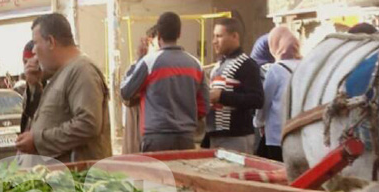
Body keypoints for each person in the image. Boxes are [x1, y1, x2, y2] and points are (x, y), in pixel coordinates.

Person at [15, 13, 112, 163]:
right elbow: (46, 117)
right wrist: (34, 85)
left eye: (36, 43)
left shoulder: (82, 70)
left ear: (51, 42)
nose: (33, 51)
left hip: (73, 174)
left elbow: (88, 124)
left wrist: (38, 141)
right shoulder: (61, 73)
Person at [121, 12, 209, 152]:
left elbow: (126, 91)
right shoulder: (196, 65)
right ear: (179, 34)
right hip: (186, 138)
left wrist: (139, 59)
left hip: (156, 138)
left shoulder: (149, 62)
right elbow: (204, 106)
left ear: (159, 35)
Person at [206, 18, 264, 154]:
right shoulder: (218, 66)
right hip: (216, 136)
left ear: (234, 36)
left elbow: (257, 99)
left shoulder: (247, 64)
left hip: (237, 137)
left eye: (219, 36)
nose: (214, 41)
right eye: (214, 36)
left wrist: (221, 96)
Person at [254, 26, 302, 162]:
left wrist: (259, 122)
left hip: (277, 133)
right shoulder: (304, 66)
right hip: (299, 131)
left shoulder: (276, 69)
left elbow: (265, 102)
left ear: (274, 45)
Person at [121, 25, 158, 154]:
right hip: (136, 137)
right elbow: (126, 97)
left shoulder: (164, 68)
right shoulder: (136, 67)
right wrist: (141, 60)